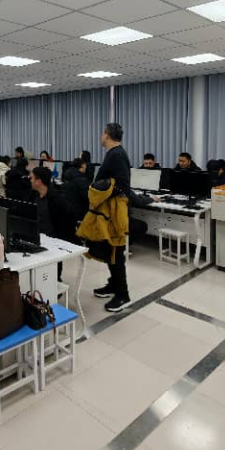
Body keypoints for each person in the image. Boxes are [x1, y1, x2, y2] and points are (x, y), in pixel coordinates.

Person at [90, 123, 132, 313]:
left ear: (106, 135)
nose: (101, 136)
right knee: (110, 252)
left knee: (116, 254)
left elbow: (121, 185)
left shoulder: (117, 155)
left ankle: (123, 295)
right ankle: (113, 285)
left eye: (102, 133)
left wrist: (99, 189)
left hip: (114, 213)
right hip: (108, 212)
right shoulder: (113, 154)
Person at [62, 158, 91, 223]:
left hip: (68, 211)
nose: (86, 167)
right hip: (80, 213)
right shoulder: (82, 180)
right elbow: (88, 196)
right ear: (82, 165)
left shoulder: (67, 176)